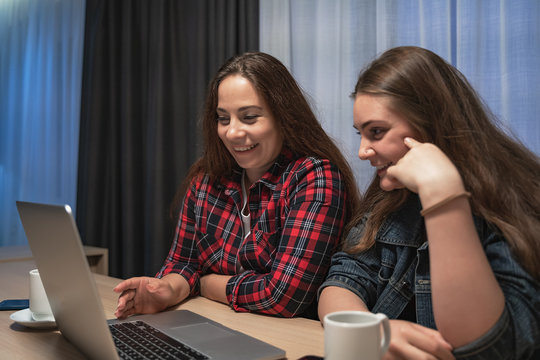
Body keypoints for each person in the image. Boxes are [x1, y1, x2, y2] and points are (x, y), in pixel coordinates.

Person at [318, 46, 540, 359]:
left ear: (431, 124)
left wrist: (442, 191)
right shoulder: (392, 197)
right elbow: (343, 279)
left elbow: (491, 349)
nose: (363, 152)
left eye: (377, 132)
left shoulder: (515, 201)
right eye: (361, 134)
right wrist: (373, 329)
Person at [114, 52, 361, 319]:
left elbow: (283, 297)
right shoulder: (205, 181)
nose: (232, 132)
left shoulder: (314, 178)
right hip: (220, 324)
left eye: (250, 117)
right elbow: (182, 263)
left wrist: (204, 284)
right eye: (223, 119)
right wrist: (167, 289)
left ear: (284, 117)